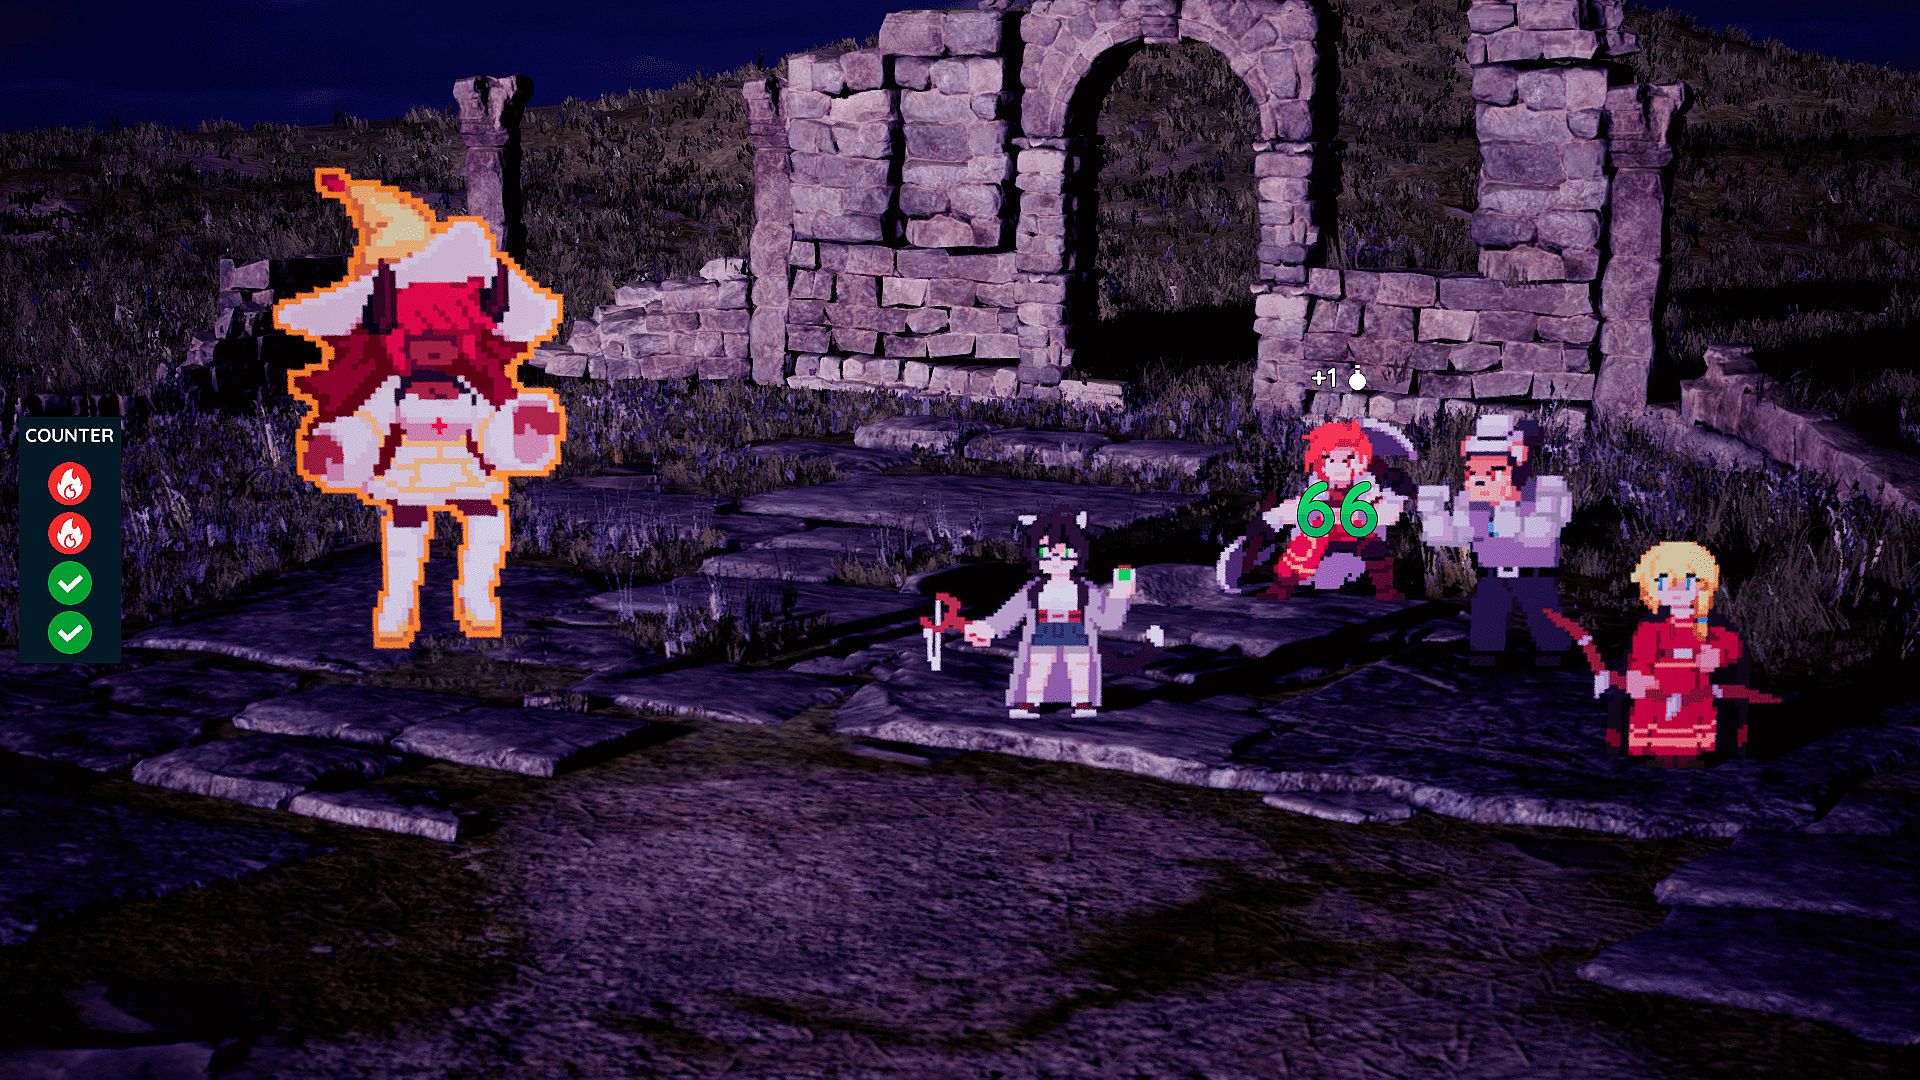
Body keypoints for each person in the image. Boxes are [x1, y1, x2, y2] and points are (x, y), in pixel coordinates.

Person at [275, 169, 565, 648]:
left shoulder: (466, 375)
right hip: (413, 453)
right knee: (413, 523)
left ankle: (473, 601)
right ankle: (401, 608)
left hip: (460, 453)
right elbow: (373, 408)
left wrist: (515, 431)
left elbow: (495, 404)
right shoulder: (401, 373)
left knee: (477, 517)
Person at [1416, 414, 1573, 666]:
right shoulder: (1473, 503)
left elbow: (1549, 528)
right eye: (1472, 470)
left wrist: (1509, 521)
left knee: (1545, 619)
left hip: (1535, 576)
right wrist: (1432, 513)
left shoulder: (1544, 492)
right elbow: (1452, 535)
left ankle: (1552, 654)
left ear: (1517, 463)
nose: (1479, 478)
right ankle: (1485, 654)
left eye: (1492, 470)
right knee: (1488, 616)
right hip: (1493, 574)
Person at [965, 508, 1137, 719]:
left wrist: (1121, 593)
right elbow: (1010, 613)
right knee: (1037, 669)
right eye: (1047, 554)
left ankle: (1082, 702)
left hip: (1075, 634)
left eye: (1064, 555)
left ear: (1077, 555)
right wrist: (988, 629)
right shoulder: (1034, 589)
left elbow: (1107, 618)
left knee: (1079, 669)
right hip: (1044, 634)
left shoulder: (1083, 589)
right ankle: (1030, 702)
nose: (1056, 560)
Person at [1225, 419, 1414, 601]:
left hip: (1359, 530)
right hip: (1323, 530)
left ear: (1361, 459)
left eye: (1348, 458)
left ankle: (1385, 589)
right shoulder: (1319, 486)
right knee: (1303, 546)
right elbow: (1305, 505)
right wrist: (1279, 516)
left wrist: (1381, 508)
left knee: (1375, 548)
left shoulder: (1367, 486)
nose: (1340, 466)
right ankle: (1282, 586)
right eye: (1330, 459)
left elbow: (1382, 509)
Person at [1619, 541, 1749, 762]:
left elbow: (1731, 646)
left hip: (1693, 689)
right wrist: (1639, 677)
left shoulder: (1706, 627)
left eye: (1687, 581)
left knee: (1693, 716)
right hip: (1658, 690)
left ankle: (1692, 747)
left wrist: (1716, 656)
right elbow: (1640, 659)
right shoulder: (1651, 630)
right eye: (1666, 581)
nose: (1677, 589)